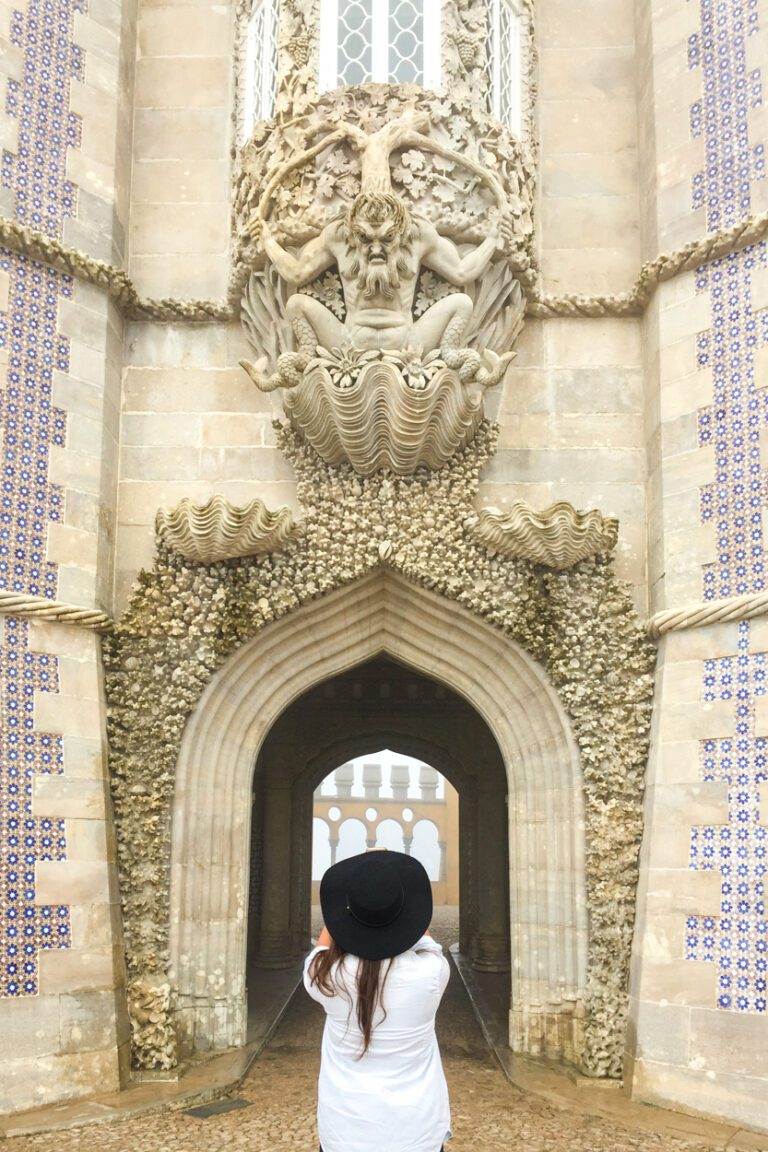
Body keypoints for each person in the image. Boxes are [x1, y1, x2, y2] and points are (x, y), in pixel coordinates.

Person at [304, 849, 451, 1152]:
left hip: (344, 1136)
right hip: (417, 1135)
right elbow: (424, 933)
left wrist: (354, 899)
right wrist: (393, 890)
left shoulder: (326, 978)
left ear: (345, 915)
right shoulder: (431, 974)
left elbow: (322, 944)